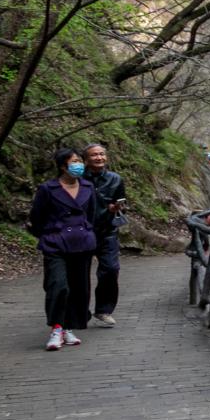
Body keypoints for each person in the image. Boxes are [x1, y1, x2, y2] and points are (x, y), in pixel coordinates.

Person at [28, 148, 97, 350]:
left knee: (78, 288)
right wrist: (50, 234)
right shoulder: (48, 189)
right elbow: (36, 218)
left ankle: (68, 327)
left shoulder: (88, 187)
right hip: (56, 243)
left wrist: (88, 234)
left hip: (82, 243)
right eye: (73, 161)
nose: (79, 165)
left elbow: (91, 215)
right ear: (62, 166)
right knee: (58, 285)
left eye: (79, 161)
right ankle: (56, 327)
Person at [83, 143, 126, 328]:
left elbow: (121, 201)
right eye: (94, 155)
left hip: (107, 230)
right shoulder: (78, 179)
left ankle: (104, 309)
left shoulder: (115, 179)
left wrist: (116, 207)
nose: (99, 158)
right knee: (80, 274)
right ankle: (80, 310)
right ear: (86, 159)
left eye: (101, 154)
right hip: (82, 233)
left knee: (110, 269)